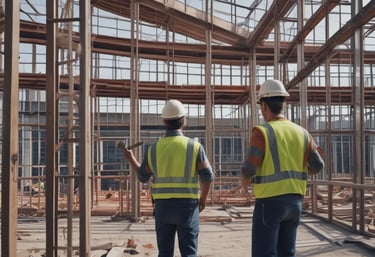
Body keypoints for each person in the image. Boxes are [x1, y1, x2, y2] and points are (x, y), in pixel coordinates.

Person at [240, 79, 325, 257]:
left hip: (269, 203)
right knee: (287, 253)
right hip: (295, 202)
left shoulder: (262, 132)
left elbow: (248, 170)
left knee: (265, 253)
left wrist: (246, 181)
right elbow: (318, 165)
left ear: (263, 105)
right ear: (283, 104)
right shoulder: (302, 132)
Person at [121, 99, 214, 257]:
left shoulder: (153, 149)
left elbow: (143, 176)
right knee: (189, 252)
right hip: (187, 207)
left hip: (163, 207)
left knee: (164, 253)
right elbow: (207, 176)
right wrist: (203, 199)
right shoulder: (194, 147)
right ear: (184, 120)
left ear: (164, 121)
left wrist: (131, 159)